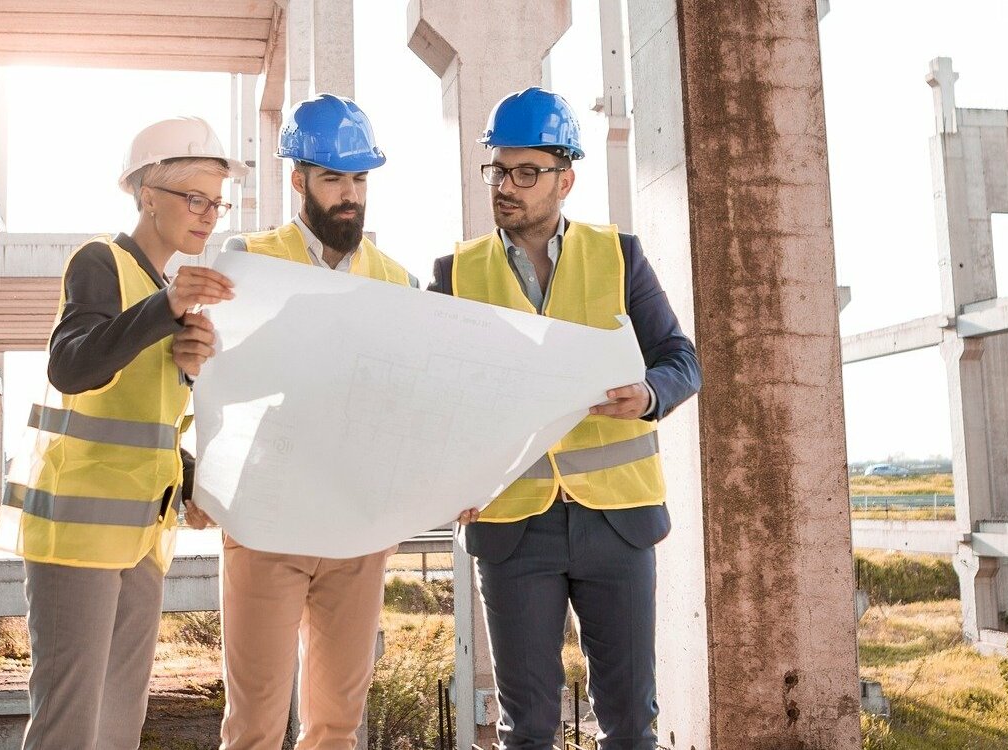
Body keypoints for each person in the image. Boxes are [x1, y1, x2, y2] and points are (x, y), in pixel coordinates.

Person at [428, 87, 701, 750]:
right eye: (499, 170)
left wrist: (648, 394)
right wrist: (445, 481)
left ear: (565, 179)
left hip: (618, 525)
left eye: (526, 172)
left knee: (631, 720)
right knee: (527, 729)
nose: (507, 186)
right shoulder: (455, 273)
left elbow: (680, 359)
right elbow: (432, 396)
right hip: (514, 530)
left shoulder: (619, 256)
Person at [4, 116, 241, 750]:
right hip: (77, 536)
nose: (208, 214)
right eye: (195, 198)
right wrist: (163, 312)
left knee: (118, 726)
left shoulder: (166, 293)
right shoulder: (100, 261)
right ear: (145, 193)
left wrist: (187, 374)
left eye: (216, 202)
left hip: (141, 537)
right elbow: (73, 364)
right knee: (69, 723)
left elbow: (147, 425)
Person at [189, 93, 416, 750]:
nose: (349, 195)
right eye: (333, 178)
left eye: (359, 179)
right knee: (255, 725)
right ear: (299, 180)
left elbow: (407, 406)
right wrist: (198, 471)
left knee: (337, 729)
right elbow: (206, 379)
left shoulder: (396, 283)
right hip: (267, 523)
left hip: (355, 530)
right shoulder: (247, 260)